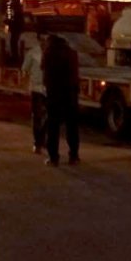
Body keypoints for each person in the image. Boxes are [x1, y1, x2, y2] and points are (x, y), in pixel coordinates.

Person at [41, 34, 81, 166]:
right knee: (72, 126)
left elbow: (44, 71)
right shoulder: (72, 53)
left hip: (54, 94)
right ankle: (73, 156)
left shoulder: (48, 54)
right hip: (70, 93)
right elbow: (75, 73)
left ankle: (54, 158)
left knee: (53, 126)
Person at [21, 33, 47, 154]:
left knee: (48, 117)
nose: (44, 42)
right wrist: (26, 86)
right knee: (37, 117)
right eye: (42, 40)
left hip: (48, 89)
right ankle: (38, 143)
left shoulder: (51, 54)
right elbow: (25, 69)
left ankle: (43, 139)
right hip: (36, 89)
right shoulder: (32, 53)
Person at [4, 0, 24, 66]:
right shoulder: (17, 2)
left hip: (14, 25)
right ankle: (15, 57)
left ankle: (14, 58)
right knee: (14, 41)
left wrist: (6, 24)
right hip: (19, 25)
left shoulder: (9, 3)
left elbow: (9, 15)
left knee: (13, 42)